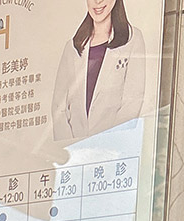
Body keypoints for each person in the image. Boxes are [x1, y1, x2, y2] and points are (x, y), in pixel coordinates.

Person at [51, 0, 147, 143]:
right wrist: (69, 146)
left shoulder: (132, 39)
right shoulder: (72, 47)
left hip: (111, 146)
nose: (97, 2)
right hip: (74, 149)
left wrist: (109, 144)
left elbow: (133, 102)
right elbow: (58, 106)